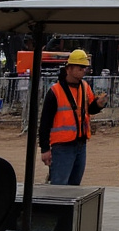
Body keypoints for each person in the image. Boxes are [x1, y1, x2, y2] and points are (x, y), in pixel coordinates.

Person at [39, 49, 109, 186]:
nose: (84, 70)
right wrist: (45, 149)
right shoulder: (55, 91)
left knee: (74, 187)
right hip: (62, 147)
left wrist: (98, 104)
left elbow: (90, 109)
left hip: (80, 144)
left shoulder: (85, 87)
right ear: (69, 69)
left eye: (85, 67)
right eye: (81, 67)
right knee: (59, 187)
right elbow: (45, 122)